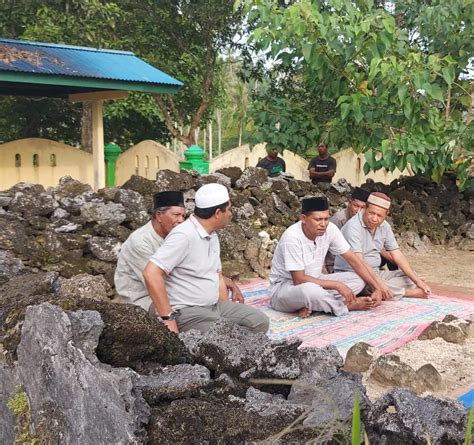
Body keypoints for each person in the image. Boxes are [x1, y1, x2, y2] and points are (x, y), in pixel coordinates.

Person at [143, 183, 269, 334]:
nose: (230, 214)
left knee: (259, 322)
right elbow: (151, 273)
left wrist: (231, 290)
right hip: (185, 310)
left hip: (213, 306)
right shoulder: (184, 235)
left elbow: (214, 273)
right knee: (226, 336)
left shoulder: (212, 234)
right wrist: (168, 319)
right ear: (217, 213)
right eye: (228, 210)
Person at [114, 191, 244, 312]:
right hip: (144, 301)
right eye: (176, 215)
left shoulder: (178, 235)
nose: (181, 220)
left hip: (173, 294)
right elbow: (157, 279)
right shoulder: (141, 242)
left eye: (183, 215)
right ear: (159, 216)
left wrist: (225, 281)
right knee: (198, 309)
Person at [269, 197, 388, 318]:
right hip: (285, 289)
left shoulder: (330, 229)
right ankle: (344, 307)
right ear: (304, 219)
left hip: (317, 280)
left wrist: (376, 288)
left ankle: (316, 304)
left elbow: (354, 260)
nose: (323, 224)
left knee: (359, 279)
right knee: (309, 291)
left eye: (326, 219)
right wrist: (337, 285)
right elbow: (298, 280)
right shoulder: (292, 237)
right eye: (318, 219)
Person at [334, 192, 431, 300]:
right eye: (371, 213)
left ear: (386, 214)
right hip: (354, 273)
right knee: (365, 283)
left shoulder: (385, 226)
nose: (374, 219)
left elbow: (397, 254)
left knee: (409, 276)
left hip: (376, 272)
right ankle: (406, 292)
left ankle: (389, 289)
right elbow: (359, 262)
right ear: (365, 208)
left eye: (379, 215)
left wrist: (416, 280)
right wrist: (379, 284)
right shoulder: (352, 227)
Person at [325, 187, 370, 273]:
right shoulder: (339, 219)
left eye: (363, 207)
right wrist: (330, 267)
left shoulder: (364, 218)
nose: (358, 211)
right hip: (340, 261)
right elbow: (328, 244)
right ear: (349, 203)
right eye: (356, 206)